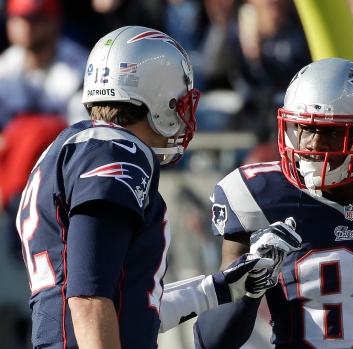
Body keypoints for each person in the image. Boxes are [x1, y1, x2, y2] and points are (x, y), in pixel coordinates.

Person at [14, 25, 302, 349]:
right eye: (180, 100)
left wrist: (222, 287)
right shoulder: (115, 150)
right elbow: (89, 299)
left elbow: (133, 309)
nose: (185, 111)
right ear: (158, 96)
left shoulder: (77, 147)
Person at [192, 14, 353, 348]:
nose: (314, 145)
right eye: (303, 128)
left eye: (333, 132)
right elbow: (211, 341)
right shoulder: (256, 197)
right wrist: (247, 288)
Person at [0, 0, 90, 129]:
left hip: (63, 145)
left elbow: (83, 130)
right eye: (19, 19)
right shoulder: (4, 67)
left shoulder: (82, 67)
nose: (26, 27)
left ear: (55, 21)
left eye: (35, 19)